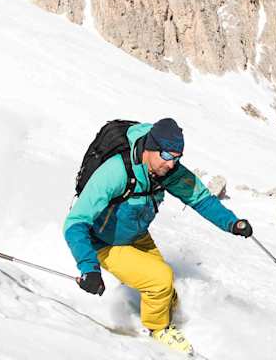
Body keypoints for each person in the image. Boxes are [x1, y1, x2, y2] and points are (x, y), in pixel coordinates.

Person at [63, 118, 252, 355]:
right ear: (150, 147)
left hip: (136, 233)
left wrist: (232, 223)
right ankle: (158, 329)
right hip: (102, 241)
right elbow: (75, 223)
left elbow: (200, 198)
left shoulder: (166, 170)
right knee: (160, 279)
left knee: (165, 287)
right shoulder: (116, 172)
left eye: (177, 157)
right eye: (166, 156)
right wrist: (89, 268)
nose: (172, 164)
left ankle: (158, 309)